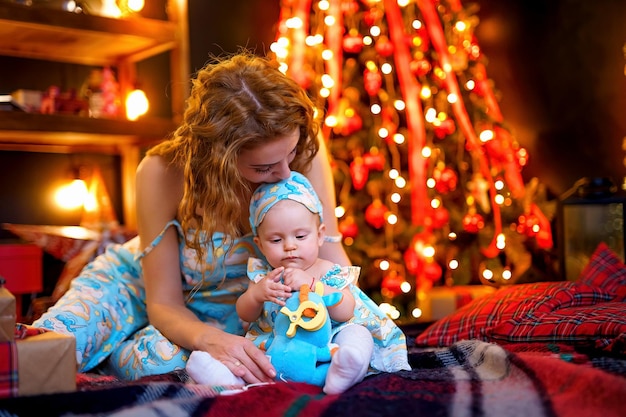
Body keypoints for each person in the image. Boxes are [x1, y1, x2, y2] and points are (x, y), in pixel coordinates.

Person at [32, 51, 351, 383]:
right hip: (139, 284)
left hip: (232, 308)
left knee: (173, 365)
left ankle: (113, 358)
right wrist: (207, 340)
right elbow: (163, 301)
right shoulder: (161, 173)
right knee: (44, 351)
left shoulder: (302, 151)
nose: (286, 172)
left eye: (291, 154)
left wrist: (357, 324)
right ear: (219, 159)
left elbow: (329, 257)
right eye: (263, 167)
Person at [187, 172, 410, 394]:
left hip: (327, 343)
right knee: (249, 354)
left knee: (356, 334)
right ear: (260, 244)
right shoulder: (264, 275)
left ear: (320, 235)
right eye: (276, 240)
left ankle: (346, 367)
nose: (289, 246)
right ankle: (225, 378)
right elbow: (245, 315)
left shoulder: (325, 269)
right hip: (278, 345)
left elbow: (347, 310)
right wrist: (256, 295)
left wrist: (314, 285)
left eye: (300, 236)